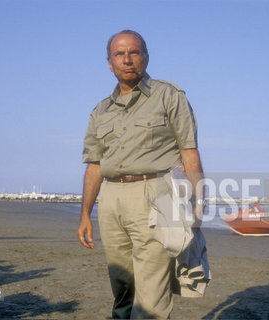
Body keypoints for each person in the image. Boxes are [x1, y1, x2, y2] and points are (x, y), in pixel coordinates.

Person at [77, 29, 205, 319]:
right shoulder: (100, 111)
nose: (127, 60)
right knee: (123, 286)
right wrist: (85, 213)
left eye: (134, 53)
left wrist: (198, 207)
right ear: (109, 63)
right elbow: (94, 165)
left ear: (145, 57)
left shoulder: (169, 96)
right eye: (119, 54)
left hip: (156, 194)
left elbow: (189, 152)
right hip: (110, 200)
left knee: (151, 295)